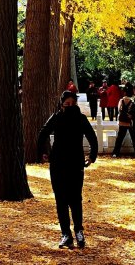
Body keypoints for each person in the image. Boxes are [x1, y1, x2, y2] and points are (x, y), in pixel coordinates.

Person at [37, 88, 98, 250]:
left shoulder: (80, 119)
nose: (70, 106)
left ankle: (79, 230)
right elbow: (43, 133)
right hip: (57, 163)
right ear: (61, 104)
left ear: (76, 104)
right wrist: (44, 152)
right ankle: (66, 234)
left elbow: (92, 137)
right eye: (66, 104)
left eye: (72, 103)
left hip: (76, 163)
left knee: (75, 199)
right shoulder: (57, 118)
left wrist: (92, 156)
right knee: (61, 200)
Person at [111, 85, 134, 157]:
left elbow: (118, 110)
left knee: (119, 139)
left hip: (122, 122)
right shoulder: (132, 101)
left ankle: (115, 152)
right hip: (129, 122)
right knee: (134, 138)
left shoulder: (121, 100)